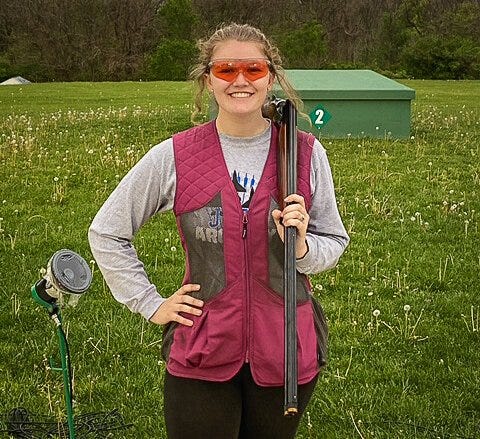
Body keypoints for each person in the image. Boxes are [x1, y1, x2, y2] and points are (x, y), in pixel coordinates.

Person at [89, 23, 349, 439]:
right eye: (227, 70)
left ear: (271, 78)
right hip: (203, 348)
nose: (241, 80)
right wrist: (150, 303)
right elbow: (107, 231)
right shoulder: (174, 155)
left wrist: (302, 248)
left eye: (254, 69)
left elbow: (333, 243)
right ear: (208, 79)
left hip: (286, 350)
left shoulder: (304, 153)